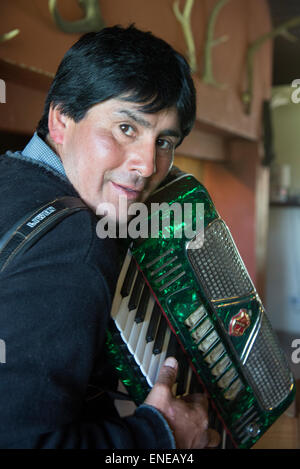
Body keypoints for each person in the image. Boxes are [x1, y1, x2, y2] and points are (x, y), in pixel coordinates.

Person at [0, 25, 220, 449]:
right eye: (126, 128)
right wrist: (161, 436)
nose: (146, 164)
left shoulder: (9, 174)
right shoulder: (77, 242)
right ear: (61, 120)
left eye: (165, 141)